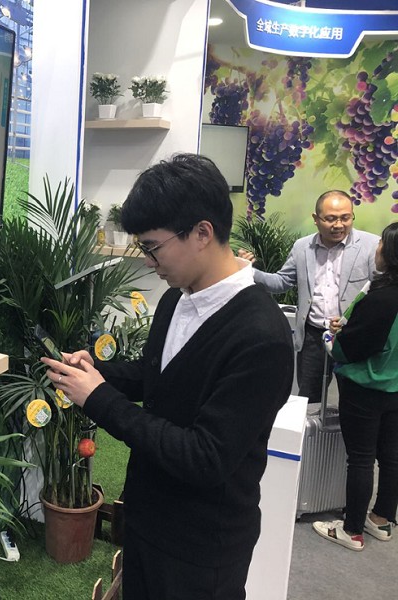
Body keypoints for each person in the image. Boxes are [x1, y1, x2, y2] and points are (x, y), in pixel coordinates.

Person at [41, 154, 294, 600]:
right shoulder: (177, 298)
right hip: (147, 517)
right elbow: (156, 376)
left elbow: (204, 457)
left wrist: (98, 398)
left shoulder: (261, 336)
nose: (149, 262)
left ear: (202, 233)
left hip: (202, 545)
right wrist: (97, 372)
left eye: (153, 247)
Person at [237, 190, 380, 404]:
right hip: (312, 337)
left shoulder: (371, 245)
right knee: (308, 399)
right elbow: (281, 282)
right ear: (316, 218)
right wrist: (248, 271)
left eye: (345, 218)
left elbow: (379, 291)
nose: (339, 225)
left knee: (355, 400)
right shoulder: (302, 247)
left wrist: (353, 320)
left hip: (352, 336)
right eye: (331, 218)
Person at [313, 221, 398, 551]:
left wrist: (332, 338)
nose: (376, 249)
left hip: (366, 388)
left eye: (381, 244)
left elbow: (350, 349)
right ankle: (381, 519)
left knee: (361, 459)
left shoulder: (381, 298)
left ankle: (352, 531)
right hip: (395, 390)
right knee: (391, 457)